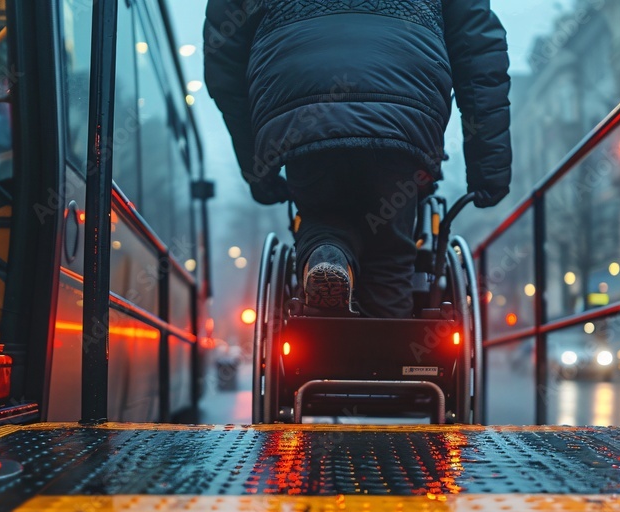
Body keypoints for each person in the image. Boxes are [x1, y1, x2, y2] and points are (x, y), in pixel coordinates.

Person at [204, 0, 511, 317]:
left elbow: (224, 61)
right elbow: (479, 56)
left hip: (302, 107)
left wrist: (260, 168)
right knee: (389, 254)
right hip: (404, 106)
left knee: (323, 214)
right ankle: (387, 353)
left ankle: (327, 252)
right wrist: (489, 170)